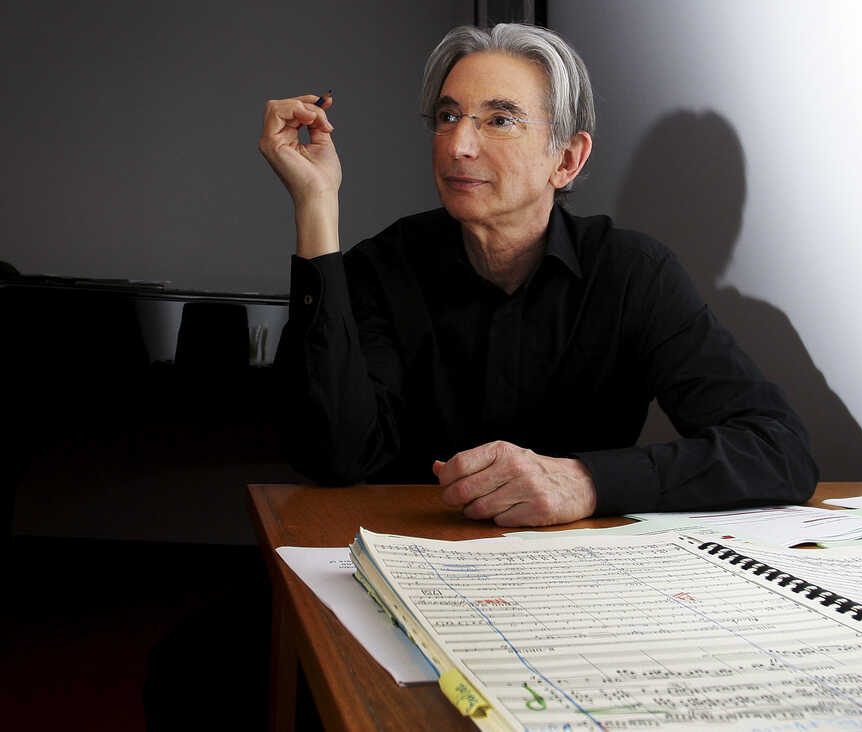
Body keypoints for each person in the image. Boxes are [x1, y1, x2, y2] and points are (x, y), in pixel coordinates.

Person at [260, 23, 818, 527]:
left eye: (499, 120)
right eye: (449, 117)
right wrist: (316, 203)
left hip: (580, 574)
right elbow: (331, 455)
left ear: (567, 160)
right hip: (408, 558)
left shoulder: (633, 274)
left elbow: (779, 450)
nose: (459, 146)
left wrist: (586, 482)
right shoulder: (382, 268)